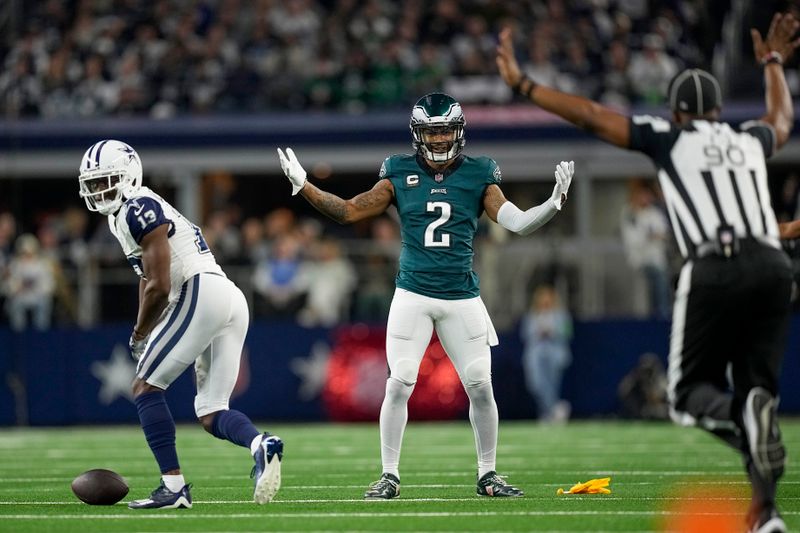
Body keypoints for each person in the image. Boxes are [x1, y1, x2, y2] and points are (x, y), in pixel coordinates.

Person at [497, 12, 798, 533]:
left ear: (677, 114)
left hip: (714, 265)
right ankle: (765, 513)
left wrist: (525, 85)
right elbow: (783, 121)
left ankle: (749, 433)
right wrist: (772, 63)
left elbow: (593, 115)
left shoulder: (670, 137)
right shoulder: (748, 140)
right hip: (773, 266)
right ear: (720, 111)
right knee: (756, 392)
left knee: (687, 397)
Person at [278, 92, 574, 499]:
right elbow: (348, 210)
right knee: (399, 381)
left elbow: (518, 223)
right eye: (432, 132)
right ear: (418, 134)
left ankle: (488, 474)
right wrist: (305, 186)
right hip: (413, 294)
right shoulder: (397, 172)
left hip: (461, 297)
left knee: (480, 384)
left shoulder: (479, 173)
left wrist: (551, 205)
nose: (438, 140)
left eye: (445, 131)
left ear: (459, 132)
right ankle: (389, 475)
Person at [78, 139, 283, 509]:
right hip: (227, 296)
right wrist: (144, 325)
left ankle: (172, 487)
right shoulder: (125, 213)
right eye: (93, 184)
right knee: (211, 412)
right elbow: (148, 278)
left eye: (106, 180)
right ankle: (261, 444)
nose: (99, 190)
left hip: (200, 290)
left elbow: (160, 284)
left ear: (128, 175)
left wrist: (141, 332)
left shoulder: (137, 207)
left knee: (144, 387)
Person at [519, 284, 572, 422]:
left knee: (552, 384)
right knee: (535, 383)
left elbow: (568, 332)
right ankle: (556, 408)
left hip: (555, 353)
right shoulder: (532, 316)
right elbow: (524, 334)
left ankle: (547, 414)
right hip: (535, 354)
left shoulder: (562, 315)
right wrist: (538, 331)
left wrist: (553, 331)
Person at [620, 181, 672, 319]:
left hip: (658, 259)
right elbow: (633, 240)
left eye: (647, 195)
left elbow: (664, 233)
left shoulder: (654, 213)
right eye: (642, 195)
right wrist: (650, 236)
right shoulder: (629, 214)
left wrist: (653, 236)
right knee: (658, 276)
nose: (646, 198)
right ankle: (660, 312)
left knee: (667, 274)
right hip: (640, 260)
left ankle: (663, 312)